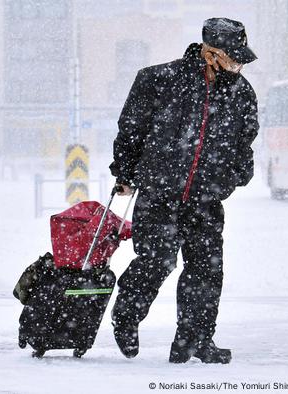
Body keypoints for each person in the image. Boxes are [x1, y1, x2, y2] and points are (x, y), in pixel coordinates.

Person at [109, 18, 259, 364]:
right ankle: (127, 316)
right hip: (159, 193)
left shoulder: (242, 94)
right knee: (157, 260)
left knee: (207, 269)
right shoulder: (159, 80)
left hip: (206, 198)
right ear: (210, 53)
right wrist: (126, 172)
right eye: (232, 57)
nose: (238, 65)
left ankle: (194, 341)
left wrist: (233, 178)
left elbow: (244, 144)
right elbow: (131, 129)